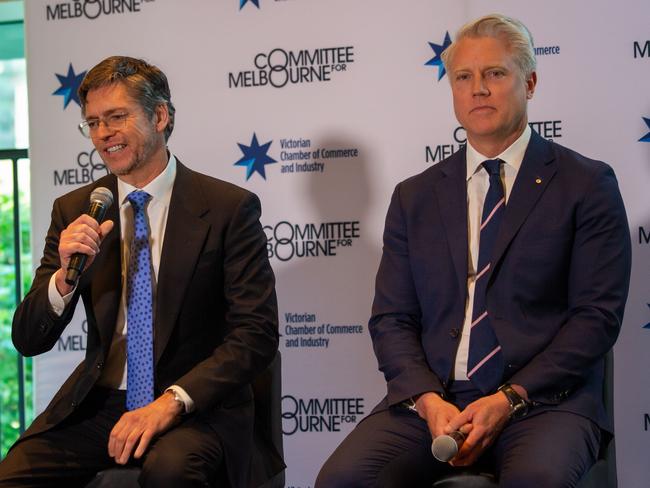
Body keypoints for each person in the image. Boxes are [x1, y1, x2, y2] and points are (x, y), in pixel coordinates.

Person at [316, 13, 631, 488]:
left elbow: (596, 317)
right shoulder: (414, 196)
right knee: (341, 480)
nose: (477, 88)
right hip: (436, 402)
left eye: (495, 74)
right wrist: (427, 399)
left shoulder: (586, 184)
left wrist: (510, 398)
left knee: (537, 480)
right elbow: (392, 319)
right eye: (464, 77)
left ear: (530, 82)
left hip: (543, 402)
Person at [0, 56, 283, 487]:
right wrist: (63, 278)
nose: (103, 134)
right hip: (102, 403)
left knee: (170, 472)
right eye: (92, 122)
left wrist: (172, 401)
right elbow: (28, 339)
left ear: (160, 116)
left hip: (194, 406)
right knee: (15, 474)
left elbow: (256, 334)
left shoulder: (228, 209)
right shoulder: (76, 210)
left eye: (116, 117)